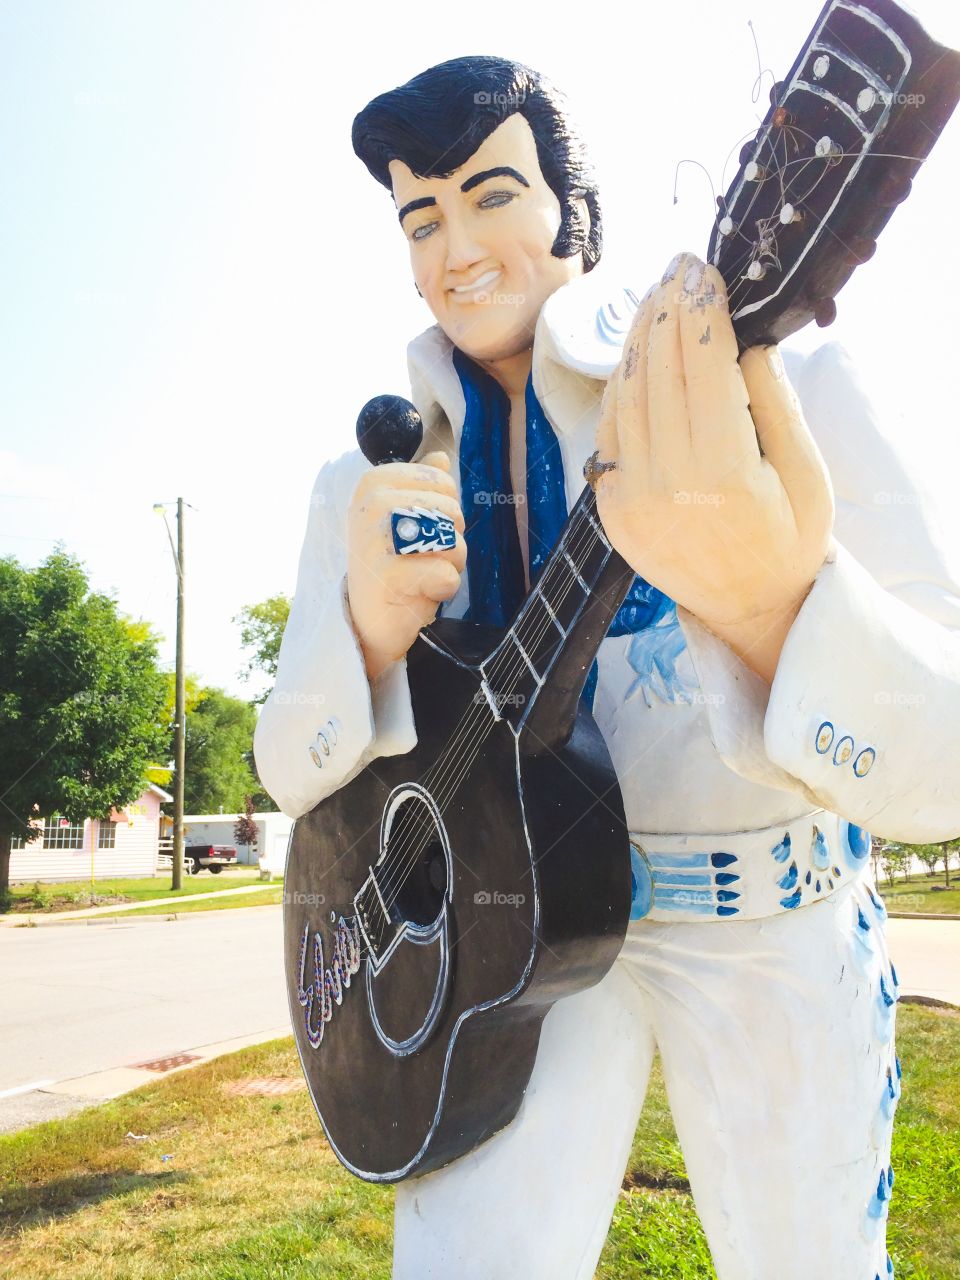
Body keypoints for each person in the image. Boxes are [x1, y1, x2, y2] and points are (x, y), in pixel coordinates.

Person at [254, 55, 960, 1280]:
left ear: (573, 211)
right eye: (421, 215)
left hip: (770, 925)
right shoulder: (364, 484)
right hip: (505, 953)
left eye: (490, 194)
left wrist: (772, 606)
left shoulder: (774, 392)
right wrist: (362, 641)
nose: (455, 247)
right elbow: (283, 763)